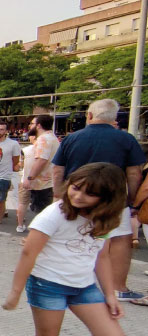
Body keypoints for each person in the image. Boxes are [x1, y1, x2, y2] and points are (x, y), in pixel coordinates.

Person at [3, 163, 128, 336]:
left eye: (88, 193)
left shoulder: (109, 218)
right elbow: (29, 252)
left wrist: (110, 294)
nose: (78, 195)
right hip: (48, 284)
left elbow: (101, 256)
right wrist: (15, 292)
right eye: (76, 186)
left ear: (107, 199)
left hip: (83, 287)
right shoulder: (56, 213)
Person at [52, 98, 146, 303]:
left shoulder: (72, 138)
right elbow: (134, 173)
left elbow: (58, 169)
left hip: (75, 197)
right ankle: (119, 287)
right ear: (113, 118)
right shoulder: (126, 139)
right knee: (120, 238)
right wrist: (130, 199)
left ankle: (68, 281)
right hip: (113, 198)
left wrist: (59, 195)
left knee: (72, 236)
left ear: (90, 115)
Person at [20, 114, 60, 218]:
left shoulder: (44, 139)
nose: (30, 126)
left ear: (38, 126)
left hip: (42, 184)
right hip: (47, 183)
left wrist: (29, 178)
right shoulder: (52, 137)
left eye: (32, 123)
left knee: (40, 215)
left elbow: (41, 160)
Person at [16, 129, 36, 233]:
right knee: (41, 204)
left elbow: (21, 164)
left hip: (25, 179)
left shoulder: (25, 150)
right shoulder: (49, 148)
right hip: (43, 181)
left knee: (22, 203)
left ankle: (20, 225)